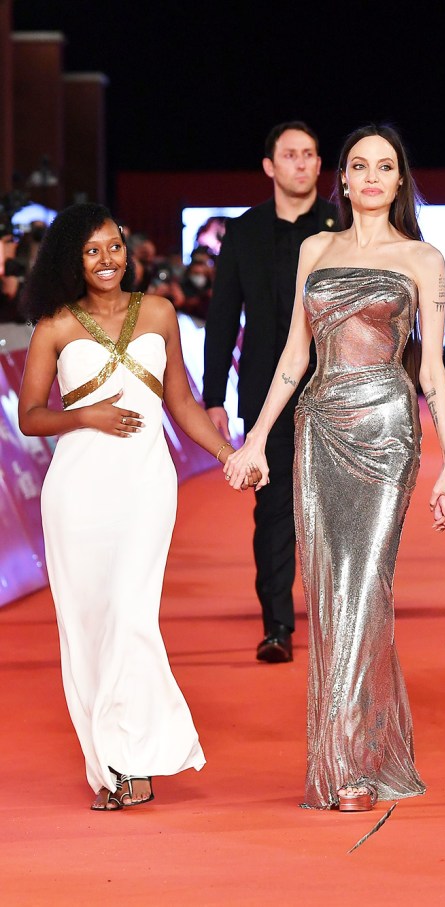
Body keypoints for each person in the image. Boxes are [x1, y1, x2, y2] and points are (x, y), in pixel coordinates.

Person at [224, 124, 445, 811]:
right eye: (360, 165)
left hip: (387, 431)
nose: (371, 177)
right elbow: (295, 356)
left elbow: (435, 374)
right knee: (329, 594)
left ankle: (350, 762)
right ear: (345, 178)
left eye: (385, 166)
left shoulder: (422, 257)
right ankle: (348, 754)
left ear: (399, 178)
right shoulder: (313, 249)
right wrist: (256, 438)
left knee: (364, 584)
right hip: (318, 426)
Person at [18, 203, 259, 811]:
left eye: (115, 247)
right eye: (93, 250)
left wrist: (230, 453)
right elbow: (29, 416)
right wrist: (86, 415)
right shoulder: (54, 326)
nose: (107, 260)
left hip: (146, 486)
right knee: (86, 626)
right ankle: (114, 764)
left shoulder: (159, 312)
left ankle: (136, 759)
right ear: (73, 259)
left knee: (130, 615)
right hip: (76, 492)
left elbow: (180, 400)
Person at [203, 121, 338, 664]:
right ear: (270, 166)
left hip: (333, 387)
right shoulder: (244, 232)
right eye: (290, 154)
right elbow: (220, 318)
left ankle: (338, 623)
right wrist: (214, 394)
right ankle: (278, 624)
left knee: (334, 511)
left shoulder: (339, 227)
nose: (302, 164)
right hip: (265, 395)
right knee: (275, 510)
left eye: (310, 154)